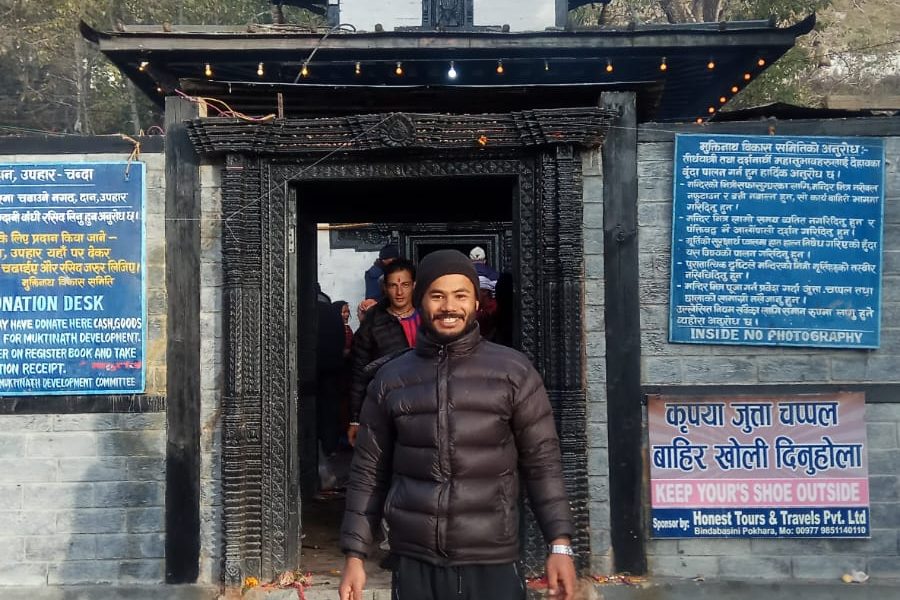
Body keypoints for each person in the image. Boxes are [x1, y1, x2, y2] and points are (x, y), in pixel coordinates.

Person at [339, 250, 576, 600]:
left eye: (460, 295)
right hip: (416, 559)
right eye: (437, 295)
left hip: (493, 557)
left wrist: (560, 545)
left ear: (476, 302)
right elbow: (368, 472)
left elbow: (542, 464)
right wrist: (355, 555)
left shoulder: (513, 372)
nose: (449, 306)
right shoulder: (391, 379)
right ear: (421, 302)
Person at [347, 258, 419, 447]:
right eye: (393, 285)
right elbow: (359, 372)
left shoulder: (428, 318)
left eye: (405, 284)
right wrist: (355, 418)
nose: (399, 291)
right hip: (388, 404)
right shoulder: (374, 322)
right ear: (385, 288)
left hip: (426, 403)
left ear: (414, 285)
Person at [315, 285, 346, 460]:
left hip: (309, 371)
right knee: (329, 410)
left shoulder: (303, 308)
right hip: (332, 370)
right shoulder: (332, 312)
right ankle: (330, 447)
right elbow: (341, 339)